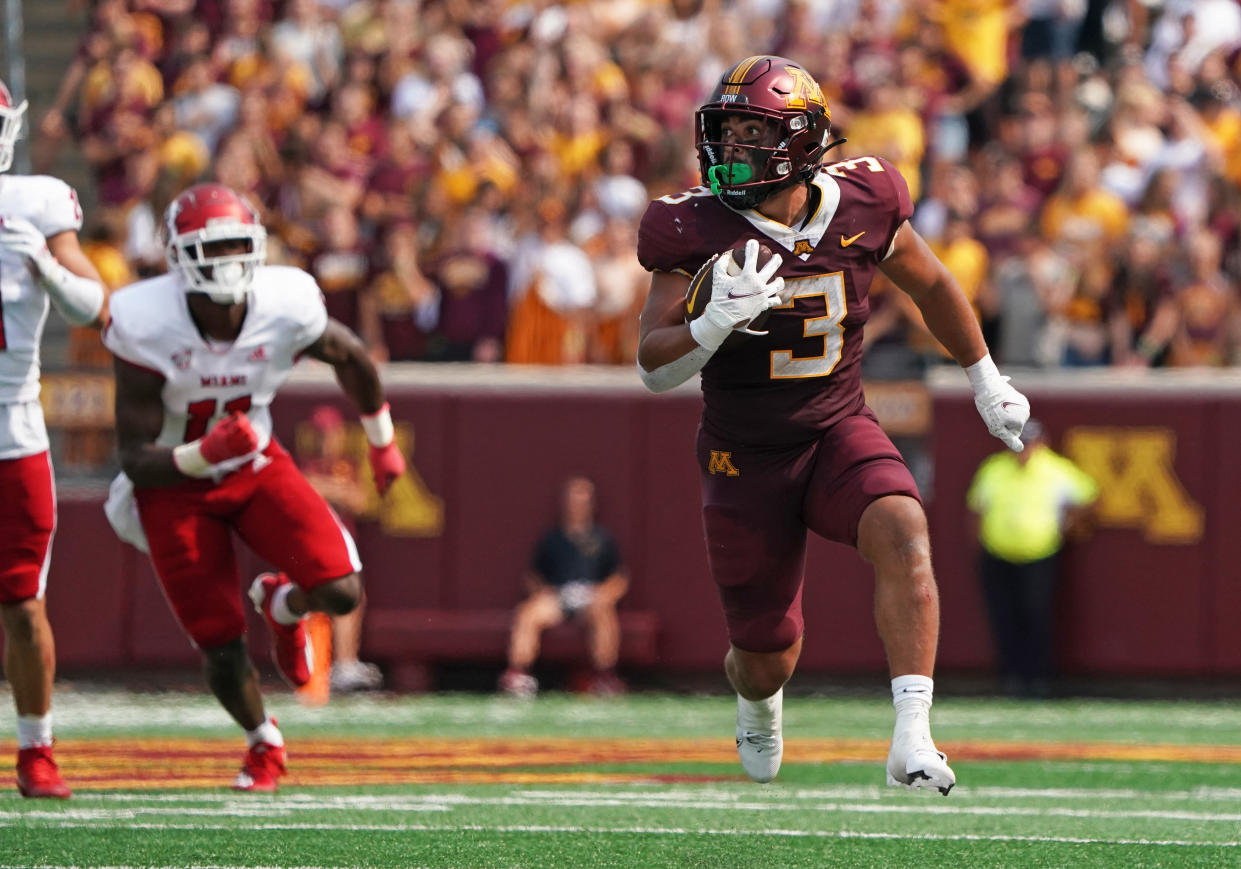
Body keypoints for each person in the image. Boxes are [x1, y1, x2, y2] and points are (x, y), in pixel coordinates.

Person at [636, 56, 1031, 793]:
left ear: (800, 140)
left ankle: (912, 734)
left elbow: (931, 283)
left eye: (756, 130)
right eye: (729, 129)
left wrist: (985, 380)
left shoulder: (863, 199)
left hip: (833, 427)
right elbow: (652, 366)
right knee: (764, 652)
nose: (735, 146)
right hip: (743, 455)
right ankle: (758, 703)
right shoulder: (689, 224)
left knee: (901, 523)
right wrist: (711, 323)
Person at [101, 183, 406, 792]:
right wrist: (199, 454)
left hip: (254, 465)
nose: (228, 263)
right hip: (172, 487)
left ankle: (284, 605)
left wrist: (382, 439)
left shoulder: (283, 300)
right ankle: (262, 741)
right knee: (219, 642)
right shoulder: (143, 319)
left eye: (239, 246)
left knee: (341, 589)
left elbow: (349, 356)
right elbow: (135, 458)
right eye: (211, 251)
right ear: (178, 257)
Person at [0, 80, 110, 799]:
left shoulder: (36, 203)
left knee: (21, 604)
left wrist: (44, 265)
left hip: (12, 432)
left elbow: (95, 303)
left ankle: (37, 747)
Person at [966, 419, 1099, 698]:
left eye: (1029, 442)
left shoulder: (1055, 469)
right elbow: (976, 507)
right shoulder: (994, 468)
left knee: (1036, 617)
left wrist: (1069, 527)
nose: (1023, 449)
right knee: (1003, 617)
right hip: (997, 554)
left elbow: (1088, 498)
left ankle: (1038, 679)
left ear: (1041, 443)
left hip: (1039, 554)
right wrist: (980, 541)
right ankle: (1010, 678)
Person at [499, 476, 629, 698]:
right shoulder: (552, 539)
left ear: (592, 504)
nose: (578, 504)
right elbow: (533, 576)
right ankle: (518, 674)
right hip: (558, 597)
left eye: (583, 499)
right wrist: (542, 592)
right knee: (527, 612)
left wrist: (604, 595)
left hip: (589, 598)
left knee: (603, 613)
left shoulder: (602, 539)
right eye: (573, 499)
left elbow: (619, 578)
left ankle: (604, 676)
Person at [297, 404, 384, 696]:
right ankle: (304, 667)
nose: (328, 440)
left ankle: (345, 665)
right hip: (310, 551)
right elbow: (303, 489)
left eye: (333, 434)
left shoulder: (350, 465)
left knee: (352, 599)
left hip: (343, 551)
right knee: (302, 602)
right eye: (323, 434)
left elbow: (359, 501)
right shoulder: (305, 464)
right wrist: (335, 489)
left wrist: (329, 488)